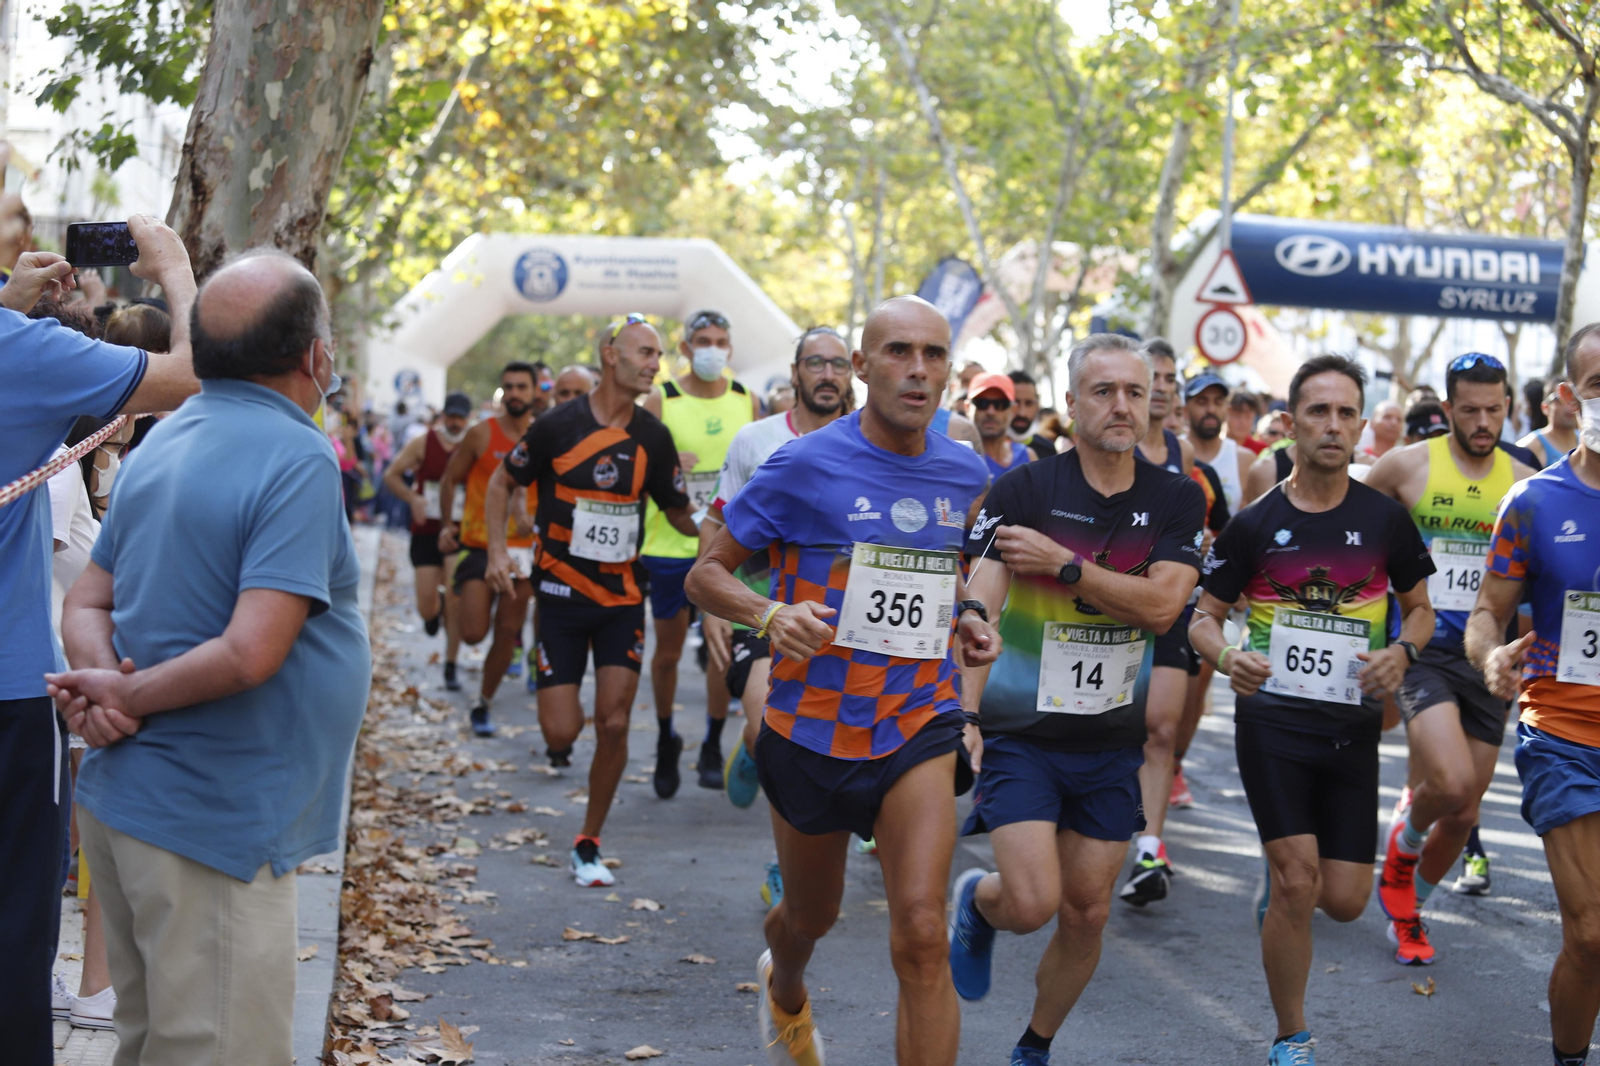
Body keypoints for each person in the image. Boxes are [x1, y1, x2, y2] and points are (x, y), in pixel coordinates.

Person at [45, 249, 370, 1066]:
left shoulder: (163, 439)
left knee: (156, 1045)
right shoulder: (297, 458)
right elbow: (250, 650)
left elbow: (87, 603)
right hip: (213, 824)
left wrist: (107, 688)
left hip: (134, 811)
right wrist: (128, 696)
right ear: (315, 357)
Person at [686, 295, 998, 1066]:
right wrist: (768, 614)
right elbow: (707, 576)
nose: (917, 371)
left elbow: (946, 577)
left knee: (922, 933)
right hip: (813, 725)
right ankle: (783, 983)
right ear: (861, 367)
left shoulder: (966, 473)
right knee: (810, 918)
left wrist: (965, 616)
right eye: (897, 352)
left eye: (932, 354)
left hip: (917, 721)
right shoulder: (803, 462)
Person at [948, 334, 1205, 1066]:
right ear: (1072, 404)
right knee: (1030, 904)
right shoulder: (1026, 490)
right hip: (1022, 731)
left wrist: (1066, 568)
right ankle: (979, 902)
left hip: (1108, 742)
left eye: (1135, 390)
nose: (1122, 405)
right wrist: (966, 704)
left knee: (1087, 912)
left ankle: (1035, 1045)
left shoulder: (1176, 499)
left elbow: (1161, 608)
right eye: (1103, 391)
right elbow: (983, 595)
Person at [1188, 354, 1435, 1066]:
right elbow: (1202, 618)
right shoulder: (1256, 524)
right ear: (1292, 422)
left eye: (1346, 412)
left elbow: (1419, 612)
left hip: (1351, 729)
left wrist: (1403, 654)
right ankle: (1291, 1037)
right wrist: (1231, 657)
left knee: (1347, 900)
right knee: (1298, 880)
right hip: (1272, 724)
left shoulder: (1385, 520)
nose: (1332, 425)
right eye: (1318, 411)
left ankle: (1291, 878)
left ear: (1360, 425)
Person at [0, 196, 201, 1066]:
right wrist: (175, 270)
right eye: (16, 220)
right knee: (13, 932)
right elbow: (195, 373)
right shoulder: (24, 355)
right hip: (7, 694)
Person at [485, 314, 696, 887]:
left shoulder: (653, 438)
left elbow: (678, 512)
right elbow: (503, 482)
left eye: (658, 354)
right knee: (561, 732)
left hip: (623, 600)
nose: (656, 363)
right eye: (645, 352)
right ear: (610, 355)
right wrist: (498, 553)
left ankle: (588, 839)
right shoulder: (556, 426)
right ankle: (552, 691)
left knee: (615, 721)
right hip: (557, 597)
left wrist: (722, 524)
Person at [1364, 352, 1536, 963]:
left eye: (1495, 409)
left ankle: (1408, 907)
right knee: (1452, 781)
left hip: (1490, 658)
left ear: (1509, 407)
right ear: (1448, 409)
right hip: (1424, 650)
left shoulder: (1524, 475)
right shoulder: (1406, 466)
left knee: (1463, 814)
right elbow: (1344, 518)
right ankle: (1405, 843)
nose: (1484, 421)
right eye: (1470, 410)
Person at [1467, 323, 1600, 1066]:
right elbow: (1488, 610)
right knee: (1591, 933)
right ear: (1568, 397)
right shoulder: (1533, 501)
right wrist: (1490, 659)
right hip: (1566, 737)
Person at [701, 326, 852, 906]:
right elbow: (717, 523)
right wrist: (712, 605)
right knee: (773, 726)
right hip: (762, 612)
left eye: (838, 364)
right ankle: (783, 862)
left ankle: (756, 753)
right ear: (795, 372)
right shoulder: (756, 440)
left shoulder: (874, 445)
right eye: (815, 363)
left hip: (843, 621)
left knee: (824, 739)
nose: (827, 374)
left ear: (852, 373)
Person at [641, 309, 760, 795]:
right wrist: (665, 463)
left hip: (730, 546)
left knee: (721, 651)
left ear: (730, 348)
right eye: (703, 340)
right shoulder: (660, 399)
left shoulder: (746, 400)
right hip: (669, 544)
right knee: (668, 652)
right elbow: (638, 471)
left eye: (721, 340)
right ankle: (667, 737)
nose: (712, 348)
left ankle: (712, 742)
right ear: (686, 348)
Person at [1119, 336, 1199, 905]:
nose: (1166, 386)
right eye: (1156, 375)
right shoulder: (1111, 443)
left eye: (1172, 377)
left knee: (1162, 730)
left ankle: (1149, 849)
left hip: (1167, 605)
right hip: (1103, 607)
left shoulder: (1181, 452)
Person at [436, 362, 538, 735]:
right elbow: (450, 480)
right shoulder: (481, 434)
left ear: (533, 392)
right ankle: (453, 595)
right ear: (502, 392)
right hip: (481, 545)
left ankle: (484, 702)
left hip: (524, 551)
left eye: (521, 387)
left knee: (507, 628)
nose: (514, 393)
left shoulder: (544, 436)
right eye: (508, 386)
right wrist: (448, 524)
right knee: (474, 633)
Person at [384, 391, 473, 690]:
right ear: (443, 415)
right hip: (427, 531)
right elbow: (392, 474)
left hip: (461, 531)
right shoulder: (424, 442)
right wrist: (412, 498)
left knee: (456, 598)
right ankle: (433, 615)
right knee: (427, 604)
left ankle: (451, 664)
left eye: (461, 417)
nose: (456, 422)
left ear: (468, 418)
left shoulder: (474, 445)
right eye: (452, 416)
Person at [1184, 371, 1251, 514]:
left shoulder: (1244, 459)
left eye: (1218, 402)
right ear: (1185, 411)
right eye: (1202, 402)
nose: (1211, 409)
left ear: (1226, 410)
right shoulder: (1171, 452)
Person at [972, 371, 1032, 477]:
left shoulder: (1027, 456)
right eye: (982, 403)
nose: (991, 412)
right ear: (967, 407)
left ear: (1013, 410)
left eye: (1000, 404)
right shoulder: (959, 459)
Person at [1520, 374, 1579, 467]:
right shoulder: (1530, 447)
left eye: (1573, 399)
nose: (1568, 406)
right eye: (1560, 399)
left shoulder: (1588, 441)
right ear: (1545, 407)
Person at [1008, 369, 1057, 459]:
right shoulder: (985, 449)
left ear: (1037, 405)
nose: (1022, 413)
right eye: (1015, 402)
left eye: (1029, 403)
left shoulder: (1047, 450)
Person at [1229, 389, 1268, 454]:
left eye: (1248, 417)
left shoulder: (1262, 450)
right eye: (1237, 416)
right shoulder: (1211, 445)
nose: (1242, 422)